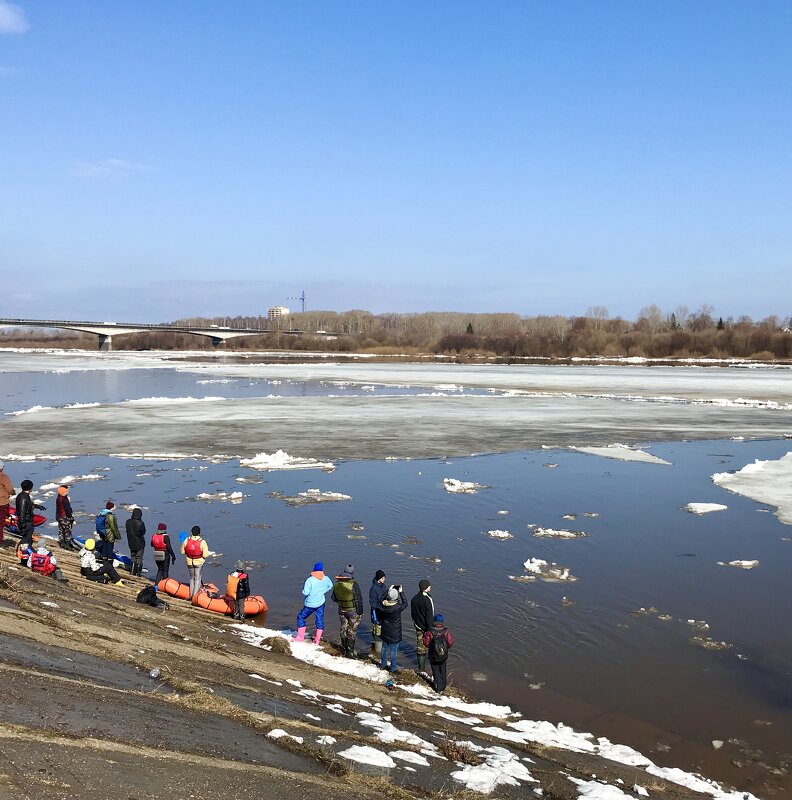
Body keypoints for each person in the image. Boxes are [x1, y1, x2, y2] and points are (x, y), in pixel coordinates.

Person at [295, 562, 333, 645]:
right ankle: (317, 640)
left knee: (301, 617)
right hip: (320, 602)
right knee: (319, 619)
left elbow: (305, 592)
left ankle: (300, 637)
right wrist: (322, 591)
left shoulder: (310, 580)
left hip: (310, 603)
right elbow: (330, 586)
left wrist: (303, 591)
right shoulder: (326, 578)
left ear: (314, 570)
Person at [331, 564, 364, 658]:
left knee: (343, 628)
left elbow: (333, 598)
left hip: (342, 610)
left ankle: (344, 649)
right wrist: (360, 612)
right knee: (351, 630)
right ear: (352, 572)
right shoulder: (353, 584)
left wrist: (342, 601)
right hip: (352, 611)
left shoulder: (337, 584)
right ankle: (350, 652)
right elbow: (358, 599)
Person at [379, 584, 408, 673]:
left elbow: (380, 599)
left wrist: (388, 590)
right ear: (396, 597)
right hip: (394, 632)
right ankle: (393, 668)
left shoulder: (383, 605)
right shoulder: (398, 607)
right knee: (393, 651)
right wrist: (401, 592)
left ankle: (383, 664)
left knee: (384, 647)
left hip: (385, 630)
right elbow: (405, 603)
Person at [423, 613, 454, 693]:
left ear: (434, 621)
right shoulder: (446, 631)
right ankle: (443, 686)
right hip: (443, 655)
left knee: (435, 670)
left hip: (433, 655)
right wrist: (445, 648)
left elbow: (426, 644)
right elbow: (450, 642)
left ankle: (437, 688)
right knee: (443, 669)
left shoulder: (430, 631)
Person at [410, 578, 435, 675]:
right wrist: (430, 629)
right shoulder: (427, 599)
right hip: (427, 627)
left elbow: (413, 613)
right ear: (425, 588)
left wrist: (416, 622)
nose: (430, 587)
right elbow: (429, 615)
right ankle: (431, 666)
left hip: (418, 625)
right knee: (431, 646)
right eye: (429, 585)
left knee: (420, 646)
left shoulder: (414, 598)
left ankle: (421, 668)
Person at [181, 525, 209, 598]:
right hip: (199, 563)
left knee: (191, 578)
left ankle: (190, 594)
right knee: (197, 579)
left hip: (189, 562)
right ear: (199, 533)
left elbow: (182, 552)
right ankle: (195, 596)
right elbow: (205, 555)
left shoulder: (186, 540)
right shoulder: (202, 542)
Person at [369, 569, 387, 660]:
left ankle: (376, 649)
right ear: (379, 578)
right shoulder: (373, 589)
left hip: (383, 612)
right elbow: (372, 603)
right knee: (377, 631)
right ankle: (377, 652)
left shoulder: (384, 586)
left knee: (381, 631)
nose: (384, 579)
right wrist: (381, 607)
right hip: (376, 613)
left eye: (384, 577)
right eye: (383, 578)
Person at [125, 508, 146, 576]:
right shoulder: (140, 523)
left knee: (133, 557)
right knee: (139, 558)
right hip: (139, 543)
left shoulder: (128, 522)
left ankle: (132, 571)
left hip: (131, 542)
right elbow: (143, 532)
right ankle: (137, 573)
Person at [55, 485, 77, 550]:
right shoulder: (65, 499)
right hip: (65, 518)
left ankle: (62, 543)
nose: (67, 492)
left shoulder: (58, 498)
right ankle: (67, 545)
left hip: (59, 517)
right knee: (67, 531)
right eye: (66, 491)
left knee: (61, 530)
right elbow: (67, 509)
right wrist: (71, 517)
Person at [14, 479, 35, 548]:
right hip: (26, 523)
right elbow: (22, 512)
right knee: (26, 541)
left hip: (26, 522)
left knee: (28, 540)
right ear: (29, 487)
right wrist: (23, 526)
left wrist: (35, 505)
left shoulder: (23, 495)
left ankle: (24, 553)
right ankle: (23, 554)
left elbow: (27, 505)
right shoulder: (24, 498)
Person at [0, 461, 14, 545]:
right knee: (0, 522)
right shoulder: (3, 477)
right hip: (2, 503)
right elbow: (9, 489)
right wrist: (9, 493)